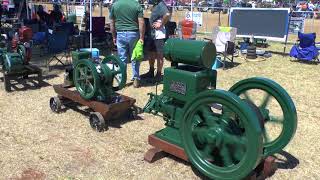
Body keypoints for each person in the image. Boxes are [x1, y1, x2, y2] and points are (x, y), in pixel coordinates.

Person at [109, 0, 145, 88]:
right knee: (135, 56)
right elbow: (141, 22)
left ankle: (122, 80)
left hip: (120, 33)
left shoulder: (115, 5)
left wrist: (113, 36)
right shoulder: (136, 4)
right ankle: (136, 78)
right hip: (133, 33)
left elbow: (112, 23)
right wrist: (142, 37)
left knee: (122, 59)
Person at [141, 0, 170, 82]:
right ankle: (151, 71)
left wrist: (161, 24)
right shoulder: (156, 4)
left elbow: (167, 14)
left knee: (159, 55)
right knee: (151, 53)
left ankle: (158, 74)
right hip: (152, 34)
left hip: (159, 35)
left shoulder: (161, 4)